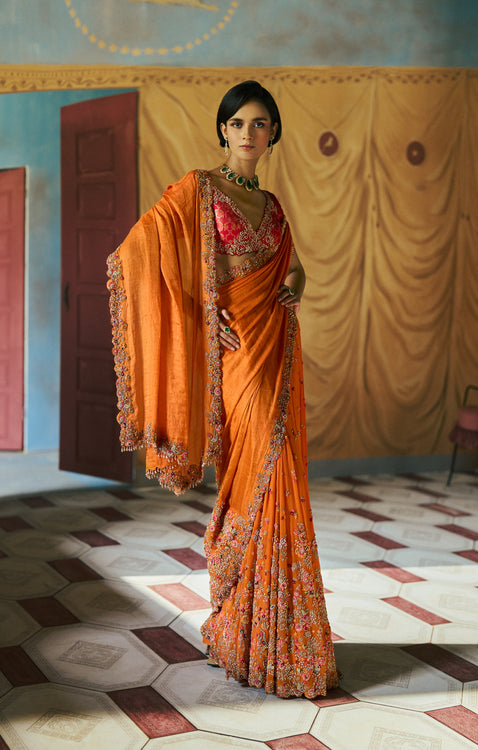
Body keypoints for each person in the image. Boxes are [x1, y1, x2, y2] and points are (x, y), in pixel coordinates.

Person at [107, 80, 340, 698]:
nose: (248, 134)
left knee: (281, 472)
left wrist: (295, 286)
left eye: (260, 124)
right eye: (238, 123)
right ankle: (247, 627)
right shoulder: (199, 188)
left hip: (278, 346)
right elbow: (142, 253)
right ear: (222, 130)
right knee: (253, 472)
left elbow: (296, 266)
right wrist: (203, 312)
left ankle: (272, 638)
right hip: (238, 360)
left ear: (273, 133)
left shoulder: (273, 205)